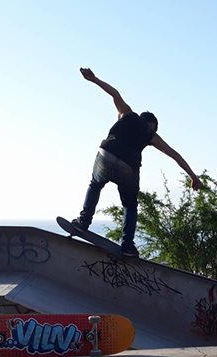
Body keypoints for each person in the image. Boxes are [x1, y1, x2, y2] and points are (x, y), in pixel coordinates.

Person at [71, 67, 203, 257]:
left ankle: (83, 222)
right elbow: (175, 155)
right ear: (153, 125)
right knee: (130, 205)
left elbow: (114, 94)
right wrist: (193, 177)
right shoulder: (152, 135)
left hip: (106, 154)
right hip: (127, 167)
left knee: (95, 184)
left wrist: (94, 79)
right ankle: (127, 245)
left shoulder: (126, 113)